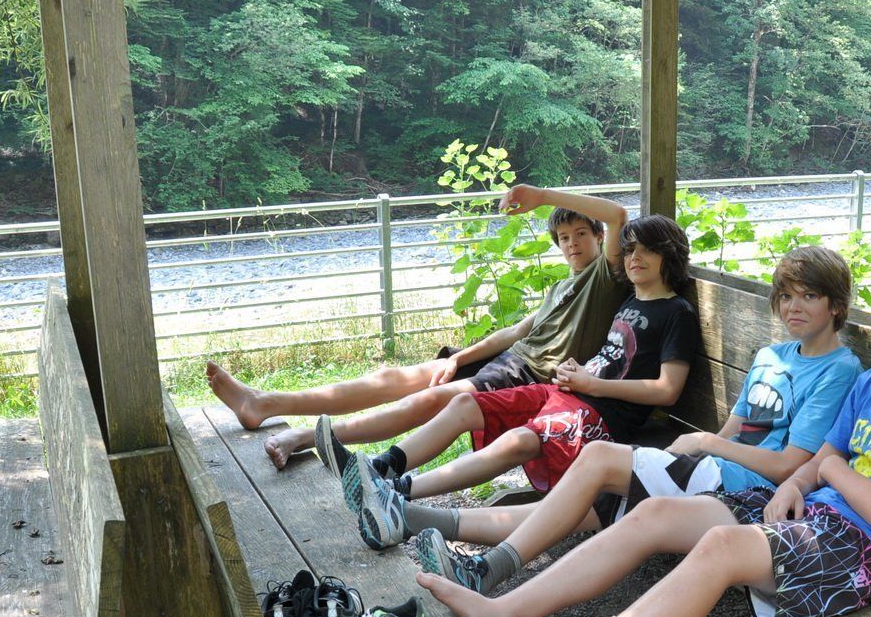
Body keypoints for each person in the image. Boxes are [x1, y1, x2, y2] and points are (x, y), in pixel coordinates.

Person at [419, 262, 871, 617]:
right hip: (816, 517)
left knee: (720, 546)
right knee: (658, 513)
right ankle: (502, 614)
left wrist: (830, 472)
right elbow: (819, 460)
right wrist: (797, 482)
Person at [366, 246, 865, 595]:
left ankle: (485, 567)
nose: (793, 307)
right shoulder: (771, 356)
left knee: (600, 459)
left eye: (809, 297)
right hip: (715, 470)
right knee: (594, 505)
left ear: (837, 306)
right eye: (786, 296)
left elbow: (788, 465)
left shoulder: (838, 370)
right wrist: (702, 446)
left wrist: (703, 443)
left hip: (750, 491)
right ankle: (415, 519)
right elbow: (735, 429)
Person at [321, 214, 701, 544]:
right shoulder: (629, 301)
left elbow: (667, 390)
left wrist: (592, 384)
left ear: (669, 255)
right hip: (569, 391)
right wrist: (578, 372)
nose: (634, 258)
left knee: (521, 440)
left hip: (603, 416)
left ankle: (397, 492)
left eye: (646, 251)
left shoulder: (676, 312)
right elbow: (614, 359)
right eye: (629, 250)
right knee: (465, 403)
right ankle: (383, 466)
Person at [206, 184, 628, 469]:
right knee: (396, 377)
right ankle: (265, 403)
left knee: (432, 399)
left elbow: (617, 213)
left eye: (581, 234)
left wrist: (542, 197)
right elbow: (515, 333)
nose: (572, 243)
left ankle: (308, 437)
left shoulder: (605, 277)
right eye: (564, 237)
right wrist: (458, 358)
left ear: (598, 237)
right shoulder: (561, 286)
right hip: (510, 359)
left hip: (529, 376)